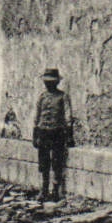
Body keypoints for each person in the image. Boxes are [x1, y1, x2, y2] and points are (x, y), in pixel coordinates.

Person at [32, 67, 73, 201]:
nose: (48, 84)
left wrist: (69, 135)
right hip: (43, 132)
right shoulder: (42, 97)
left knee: (57, 161)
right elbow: (36, 117)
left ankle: (56, 191)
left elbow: (68, 116)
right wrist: (35, 134)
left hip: (57, 133)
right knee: (44, 162)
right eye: (46, 82)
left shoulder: (63, 96)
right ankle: (44, 190)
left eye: (51, 82)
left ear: (56, 83)